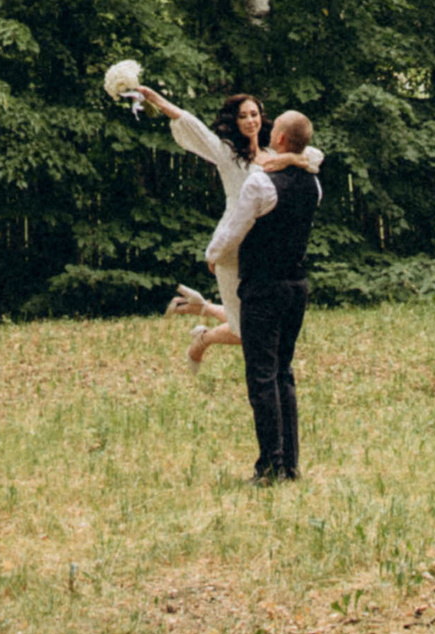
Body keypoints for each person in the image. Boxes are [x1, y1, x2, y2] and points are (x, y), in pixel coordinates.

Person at [132, 83, 317, 371]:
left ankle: (200, 309)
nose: (250, 120)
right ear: (234, 121)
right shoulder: (227, 153)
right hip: (232, 244)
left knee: (262, 321)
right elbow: (191, 125)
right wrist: (155, 98)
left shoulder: (274, 152)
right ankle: (202, 339)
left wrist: (292, 157)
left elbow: (315, 156)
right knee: (246, 330)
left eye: (254, 114)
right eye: (243, 116)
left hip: (266, 248)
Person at [208, 110, 318, 482]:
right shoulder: (313, 184)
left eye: (275, 130)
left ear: (281, 139)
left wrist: (213, 256)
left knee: (262, 376)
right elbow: (311, 157)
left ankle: (269, 466)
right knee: (283, 372)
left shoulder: (260, 184)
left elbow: (233, 232)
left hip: (264, 287)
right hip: (296, 286)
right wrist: (293, 160)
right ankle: (290, 464)